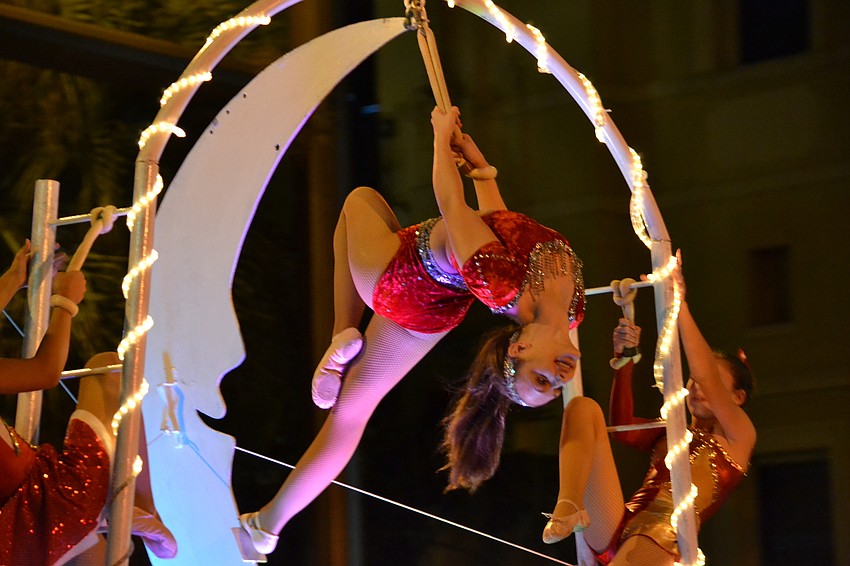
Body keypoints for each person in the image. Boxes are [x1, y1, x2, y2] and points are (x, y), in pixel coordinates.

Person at [237, 105, 586, 557]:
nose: (559, 379)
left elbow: (451, 205)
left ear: (521, 346)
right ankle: (265, 527)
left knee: (360, 201)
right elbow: (499, 224)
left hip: (398, 278)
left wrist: (440, 136)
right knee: (350, 415)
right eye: (554, 387)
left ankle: (343, 330)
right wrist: (481, 171)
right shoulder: (574, 311)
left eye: (541, 380)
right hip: (436, 310)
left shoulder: (501, 286)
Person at [541, 252, 756, 565]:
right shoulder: (673, 431)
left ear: (737, 397)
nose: (698, 387)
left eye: (711, 385)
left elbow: (706, 375)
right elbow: (622, 427)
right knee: (582, 408)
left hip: (661, 538)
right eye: (693, 382)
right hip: (619, 524)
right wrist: (625, 361)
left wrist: (679, 304)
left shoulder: (740, 437)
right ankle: (569, 503)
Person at [0, 240, 177, 565]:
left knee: (109, 370)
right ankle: (136, 504)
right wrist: (64, 302)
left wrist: (14, 280)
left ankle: (132, 506)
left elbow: (43, 371)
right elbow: (46, 372)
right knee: (109, 371)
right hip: (47, 508)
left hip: (34, 513)